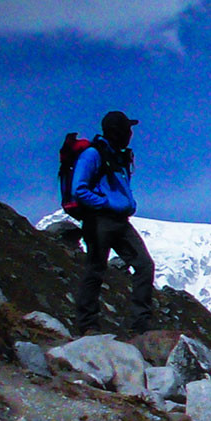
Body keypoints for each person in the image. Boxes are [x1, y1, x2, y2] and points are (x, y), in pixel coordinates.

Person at [69, 110, 155, 335]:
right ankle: (88, 325)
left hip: (118, 220)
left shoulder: (117, 155)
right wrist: (104, 203)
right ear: (119, 132)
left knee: (144, 265)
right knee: (96, 268)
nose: (130, 134)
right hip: (99, 219)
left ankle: (140, 325)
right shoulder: (93, 155)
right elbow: (79, 189)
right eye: (127, 130)